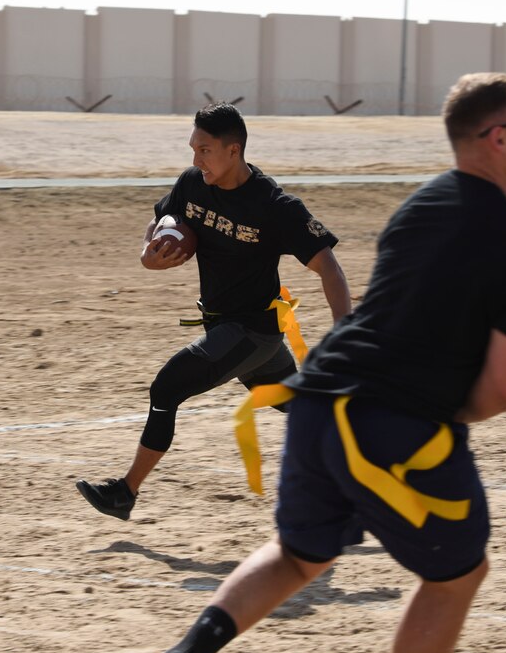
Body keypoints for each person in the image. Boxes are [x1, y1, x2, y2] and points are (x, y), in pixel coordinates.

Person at [125, 72, 506, 653]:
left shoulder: (419, 207)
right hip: (393, 420)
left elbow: (383, 309)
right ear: (496, 138)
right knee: (461, 572)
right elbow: (492, 392)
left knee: (299, 556)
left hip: (320, 395)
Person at [76, 102, 352, 521]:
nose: (195, 158)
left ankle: (125, 492)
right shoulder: (193, 183)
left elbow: (328, 267)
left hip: (252, 332)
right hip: (229, 326)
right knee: (297, 405)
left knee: (167, 388)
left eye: (204, 150)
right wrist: (148, 253)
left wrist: (343, 334)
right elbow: (164, 217)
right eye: (193, 148)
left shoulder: (274, 206)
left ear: (233, 151)